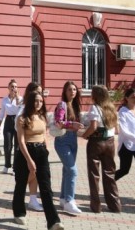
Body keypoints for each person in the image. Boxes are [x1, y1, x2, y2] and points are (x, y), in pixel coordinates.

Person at [13, 91, 64, 229]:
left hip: (41, 152)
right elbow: (21, 141)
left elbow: (44, 134)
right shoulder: (22, 118)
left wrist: (46, 150)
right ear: (30, 101)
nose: (39, 103)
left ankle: (53, 221)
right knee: (21, 183)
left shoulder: (42, 117)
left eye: (41, 101)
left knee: (46, 187)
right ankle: (18, 212)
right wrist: (29, 160)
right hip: (25, 153)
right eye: (36, 100)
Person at [82, 85, 121, 213]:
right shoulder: (111, 108)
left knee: (94, 175)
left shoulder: (95, 107)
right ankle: (115, 205)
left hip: (96, 142)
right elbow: (117, 130)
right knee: (110, 173)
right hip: (110, 143)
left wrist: (84, 135)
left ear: (96, 95)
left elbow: (93, 127)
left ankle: (96, 206)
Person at [53, 81, 84, 215]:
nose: (72, 92)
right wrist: (72, 124)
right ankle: (69, 202)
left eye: (74, 89)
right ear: (65, 92)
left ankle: (63, 198)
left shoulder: (75, 106)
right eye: (69, 90)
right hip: (62, 140)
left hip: (73, 140)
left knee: (67, 170)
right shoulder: (62, 105)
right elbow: (59, 122)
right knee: (73, 170)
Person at [14, 82, 43, 211]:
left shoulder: (39, 111)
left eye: (41, 92)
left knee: (35, 173)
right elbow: (18, 127)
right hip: (25, 146)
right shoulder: (23, 109)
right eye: (37, 92)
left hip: (37, 147)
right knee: (29, 173)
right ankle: (19, 195)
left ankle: (33, 199)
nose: (40, 95)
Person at [0, 79, 22, 174]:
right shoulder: (4, 100)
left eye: (15, 87)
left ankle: (15, 168)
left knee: (17, 146)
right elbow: (1, 113)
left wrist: (17, 98)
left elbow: (21, 109)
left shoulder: (21, 99)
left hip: (17, 121)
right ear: (8, 88)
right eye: (12, 86)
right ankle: (7, 165)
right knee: (7, 145)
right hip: (8, 121)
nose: (14, 88)